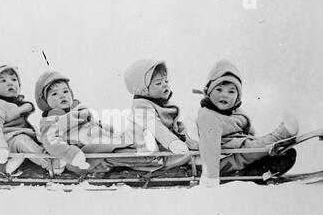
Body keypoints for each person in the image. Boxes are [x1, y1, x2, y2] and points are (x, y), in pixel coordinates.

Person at [196, 59, 299, 187]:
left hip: (239, 150)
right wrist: (211, 178)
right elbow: (209, 148)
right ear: (209, 91)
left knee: (264, 149)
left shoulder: (234, 112)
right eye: (219, 89)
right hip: (225, 159)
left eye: (231, 91)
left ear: (237, 97)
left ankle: (262, 168)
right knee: (253, 148)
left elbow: (248, 132)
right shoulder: (208, 116)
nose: (224, 95)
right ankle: (282, 134)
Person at [34, 70, 131, 174]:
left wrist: (103, 127)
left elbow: (90, 126)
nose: (62, 96)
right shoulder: (51, 121)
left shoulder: (79, 111)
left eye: (65, 91)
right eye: (54, 94)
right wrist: (71, 154)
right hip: (85, 157)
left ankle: (139, 152)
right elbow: (52, 142)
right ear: (44, 101)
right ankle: (141, 157)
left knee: (121, 145)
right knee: (120, 151)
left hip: (97, 146)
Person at [121, 59, 197, 171]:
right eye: (158, 83)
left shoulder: (159, 102)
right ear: (143, 90)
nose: (165, 85)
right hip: (143, 147)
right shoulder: (141, 105)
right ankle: (160, 165)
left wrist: (184, 135)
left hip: (162, 142)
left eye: (166, 81)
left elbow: (171, 124)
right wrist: (173, 142)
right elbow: (155, 126)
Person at [0, 59, 49, 174]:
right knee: (22, 141)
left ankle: (63, 155)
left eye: (14, 79)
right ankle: (51, 163)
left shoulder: (16, 103)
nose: (10, 83)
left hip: (23, 135)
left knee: (43, 138)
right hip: (7, 141)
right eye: (3, 80)